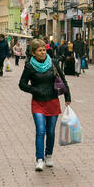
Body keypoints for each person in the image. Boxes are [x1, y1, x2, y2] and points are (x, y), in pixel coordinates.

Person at [18, 38, 71, 172]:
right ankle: (39, 159)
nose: (42, 52)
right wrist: (34, 90)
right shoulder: (30, 66)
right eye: (39, 50)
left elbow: (62, 79)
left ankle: (49, 155)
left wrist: (67, 97)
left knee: (51, 132)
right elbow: (22, 84)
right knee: (41, 131)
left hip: (53, 101)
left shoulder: (53, 63)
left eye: (43, 50)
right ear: (34, 53)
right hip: (38, 103)